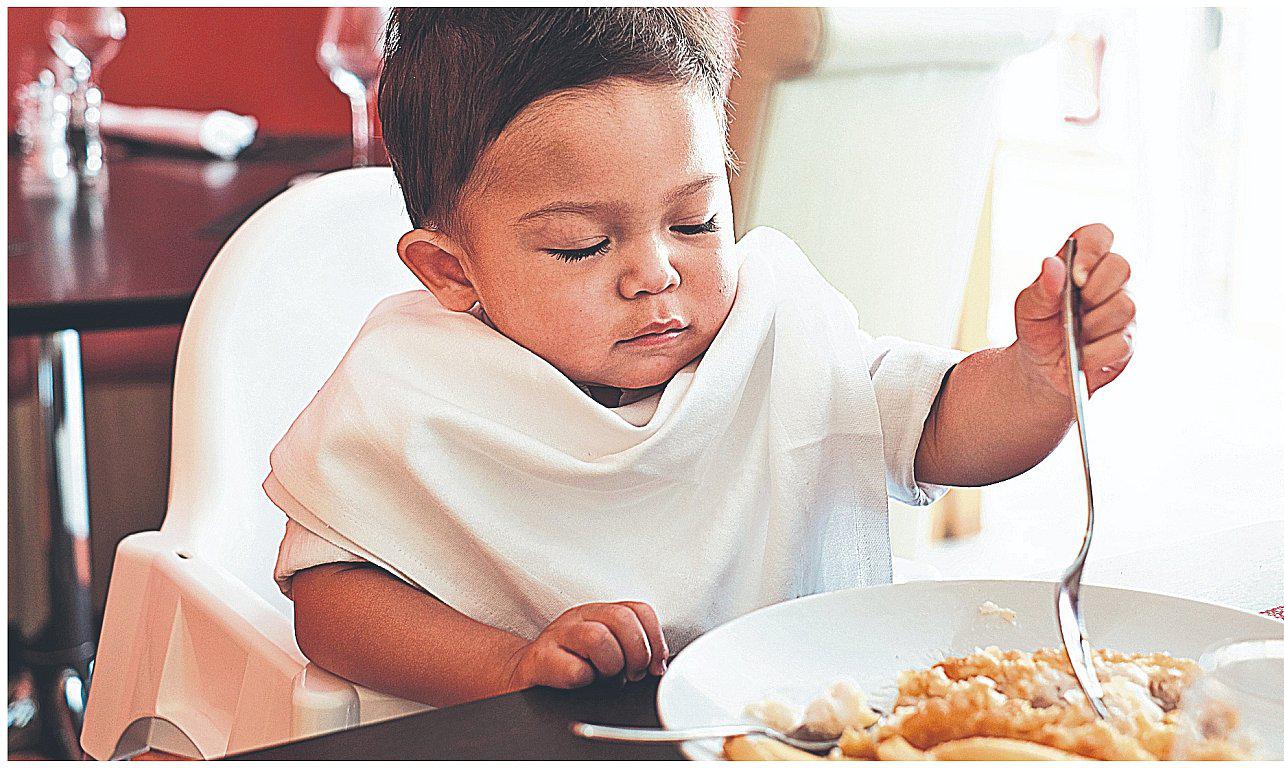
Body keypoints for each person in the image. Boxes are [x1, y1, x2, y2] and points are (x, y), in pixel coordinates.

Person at [264, 8, 1136, 708]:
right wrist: (512, 666)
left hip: (780, 724)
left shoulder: (771, 329)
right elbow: (332, 603)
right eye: (579, 246)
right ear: (452, 271)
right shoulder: (410, 387)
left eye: (694, 221)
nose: (655, 272)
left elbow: (942, 427)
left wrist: (1035, 381)